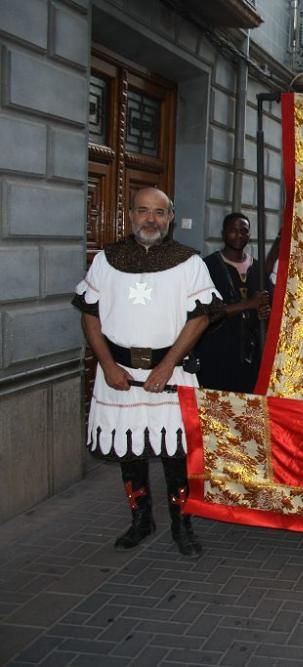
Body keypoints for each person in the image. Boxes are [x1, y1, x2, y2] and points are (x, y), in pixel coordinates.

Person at [73, 187, 219, 557]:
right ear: (131, 215)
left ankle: (181, 524)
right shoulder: (107, 260)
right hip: (119, 374)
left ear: (170, 218)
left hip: (171, 374)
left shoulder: (189, 262)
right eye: (143, 211)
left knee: (176, 455)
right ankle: (141, 521)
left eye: (159, 212)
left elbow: (200, 317)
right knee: (129, 451)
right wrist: (107, 365)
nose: (151, 219)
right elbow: (89, 314)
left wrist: (167, 365)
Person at [196, 213, 271, 392]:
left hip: (250, 355)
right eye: (233, 231)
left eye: (243, 231)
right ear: (224, 234)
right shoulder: (209, 266)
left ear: (249, 235)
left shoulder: (258, 269)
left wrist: (263, 312)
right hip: (217, 352)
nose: (238, 235)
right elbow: (205, 312)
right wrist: (249, 304)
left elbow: (267, 305)